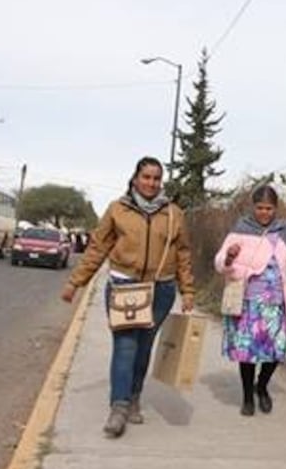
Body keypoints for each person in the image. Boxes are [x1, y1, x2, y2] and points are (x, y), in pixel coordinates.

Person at [60, 156, 195, 438]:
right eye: (146, 177)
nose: (151, 183)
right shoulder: (117, 210)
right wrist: (76, 282)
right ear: (135, 178)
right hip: (125, 285)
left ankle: (134, 397)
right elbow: (97, 248)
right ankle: (118, 408)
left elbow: (182, 254)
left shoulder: (173, 214)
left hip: (161, 289)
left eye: (157, 178)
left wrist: (188, 290)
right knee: (125, 345)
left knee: (144, 346)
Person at [214, 184, 286, 416]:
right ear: (253, 207)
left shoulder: (285, 231)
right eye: (260, 208)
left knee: (275, 352)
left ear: (276, 208)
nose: (264, 213)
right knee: (248, 352)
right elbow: (220, 261)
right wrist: (229, 256)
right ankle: (247, 397)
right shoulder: (241, 229)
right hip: (248, 302)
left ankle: (261, 387)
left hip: (276, 303)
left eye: (269, 208)